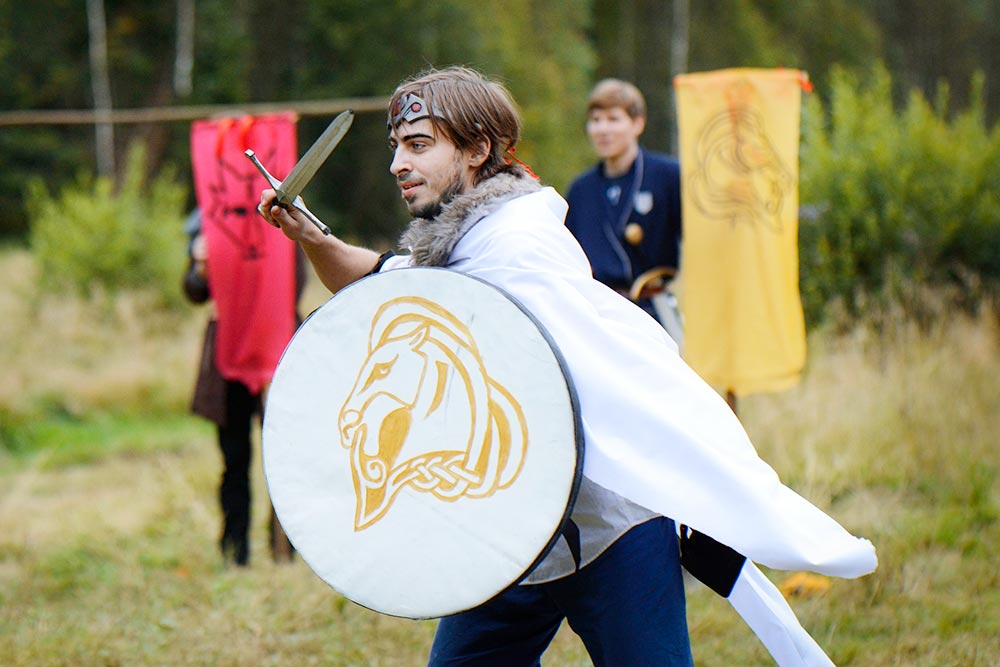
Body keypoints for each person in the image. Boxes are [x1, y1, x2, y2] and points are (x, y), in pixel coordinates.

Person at [257, 66, 876, 667]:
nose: (398, 164)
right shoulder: (457, 251)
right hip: (509, 532)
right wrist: (313, 237)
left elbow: (434, 301)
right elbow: (380, 283)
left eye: (419, 145)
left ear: (477, 150)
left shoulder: (518, 247)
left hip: (612, 527)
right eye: (396, 147)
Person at [182, 209, 306, 566]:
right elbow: (194, 290)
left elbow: (293, 284)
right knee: (234, 458)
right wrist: (201, 264)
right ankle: (234, 551)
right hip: (228, 356)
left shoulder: (280, 215)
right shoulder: (213, 217)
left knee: (282, 457)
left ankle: (284, 550)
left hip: (274, 348)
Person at [565, 79, 683, 339]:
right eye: (596, 120)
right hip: (599, 316)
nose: (602, 129)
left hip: (655, 313)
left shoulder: (668, 176)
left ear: (637, 123)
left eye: (613, 119)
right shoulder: (581, 190)